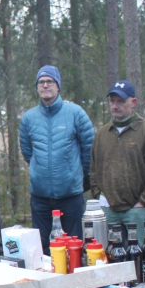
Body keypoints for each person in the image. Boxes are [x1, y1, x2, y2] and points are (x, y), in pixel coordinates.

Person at [19, 65, 94, 252]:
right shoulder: (28, 118)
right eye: (41, 82)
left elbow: (89, 150)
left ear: (58, 86)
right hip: (40, 198)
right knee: (43, 250)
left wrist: (76, 177)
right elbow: (28, 153)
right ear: (37, 87)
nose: (45, 86)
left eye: (50, 82)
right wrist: (40, 173)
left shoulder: (76, 114)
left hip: (70, 196)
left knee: (74, 248)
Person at [89, 80, 145, 244]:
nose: (115, 106)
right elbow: (93, 170)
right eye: (112, 101)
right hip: (108, 211)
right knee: (108, 260)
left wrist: (143, 203)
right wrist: (99, 197)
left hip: (139, 210)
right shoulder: (102, 134)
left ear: (133, 102)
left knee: (141, 261)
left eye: (121, 101)